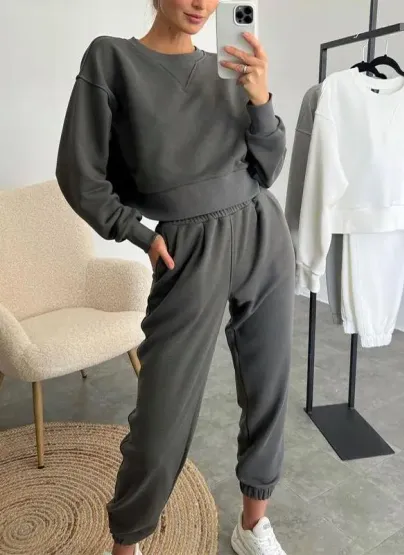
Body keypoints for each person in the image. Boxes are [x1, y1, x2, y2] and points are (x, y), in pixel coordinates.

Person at [56, 1, 294, 554]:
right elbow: (79, 173)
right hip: (186, 250)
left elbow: (267, 168)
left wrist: (261, 100)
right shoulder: (112, 59)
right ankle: (127, 541)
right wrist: (137, 233)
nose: (200, 4)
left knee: (268, 386)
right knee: (162, 415)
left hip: (262, 231)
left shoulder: (228, 69)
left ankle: (252, 525)